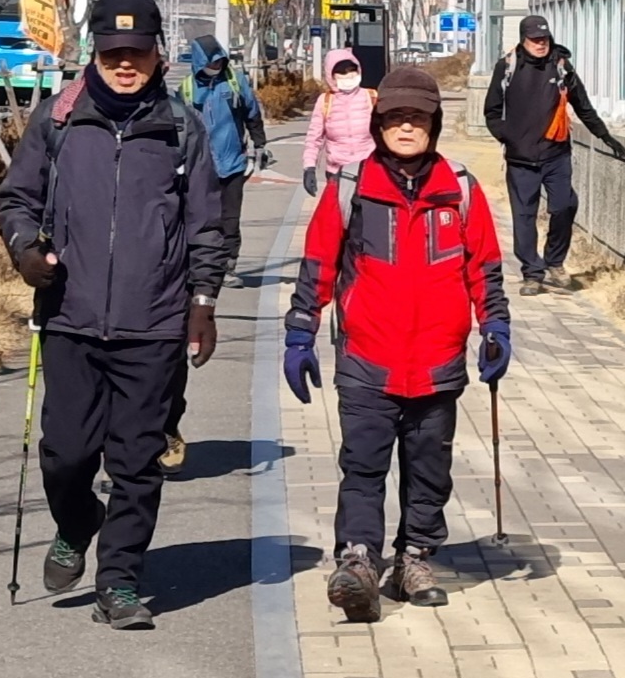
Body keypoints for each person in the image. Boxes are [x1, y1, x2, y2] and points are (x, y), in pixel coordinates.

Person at [0, 0, 227, 631]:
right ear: (94, 54)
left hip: (153, 322)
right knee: (66, 455)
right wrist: (25, 250)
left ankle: (119, 583)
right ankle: (76, 523)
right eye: (113, 53)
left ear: (158, 55)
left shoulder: (182, 128)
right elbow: (15, 199)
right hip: (70, 316)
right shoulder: (58, 122)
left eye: (138, 53)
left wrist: (203, 303)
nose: (126, 64)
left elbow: (207, 225)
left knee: (137, 462)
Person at [284, 67, 510, 623]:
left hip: (437, 360)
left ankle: (414, 558)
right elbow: (318, 263)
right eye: (395, 118)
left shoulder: (459, 189)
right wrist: (301, 331)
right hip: (368, 357)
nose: (406, 128)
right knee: (363, 465)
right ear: (379, 124)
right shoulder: (351, 187)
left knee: (429, 466)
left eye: (418, 119)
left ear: (434, 124)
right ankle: (359, 560)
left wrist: (496, 327)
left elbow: (484, 266)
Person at [158, 34, 267, 471]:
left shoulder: (234, 84)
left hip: (230, 163)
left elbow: (252, 113)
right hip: (195, 171)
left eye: (220, 61)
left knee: (226, 222)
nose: (216, 67)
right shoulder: (185, 94)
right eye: (211, 62)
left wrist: (259, 143)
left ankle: (229, 262)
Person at [482, 14, 625, 295]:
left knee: (564, 206)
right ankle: (532, 274)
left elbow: (582, 104)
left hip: (556, 154)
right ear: (523, 40)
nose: (541, 44)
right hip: (521, 159)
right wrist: (508, 137)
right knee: (524, 216)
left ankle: (555, 261)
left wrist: (604, 135)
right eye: (535, 39)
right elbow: (491, 111)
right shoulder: (507, 67)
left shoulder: (560, 66)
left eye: (544, 39)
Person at [301, 47, 374, 197]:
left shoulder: (371, 97)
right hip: (337, 172)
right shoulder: (325, 101)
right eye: (342, 72)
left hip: (369, 170)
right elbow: (314, 138)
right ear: (331, 75)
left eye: (352, 70)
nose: (348, 76)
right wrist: (309, 168)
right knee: (339, 211)